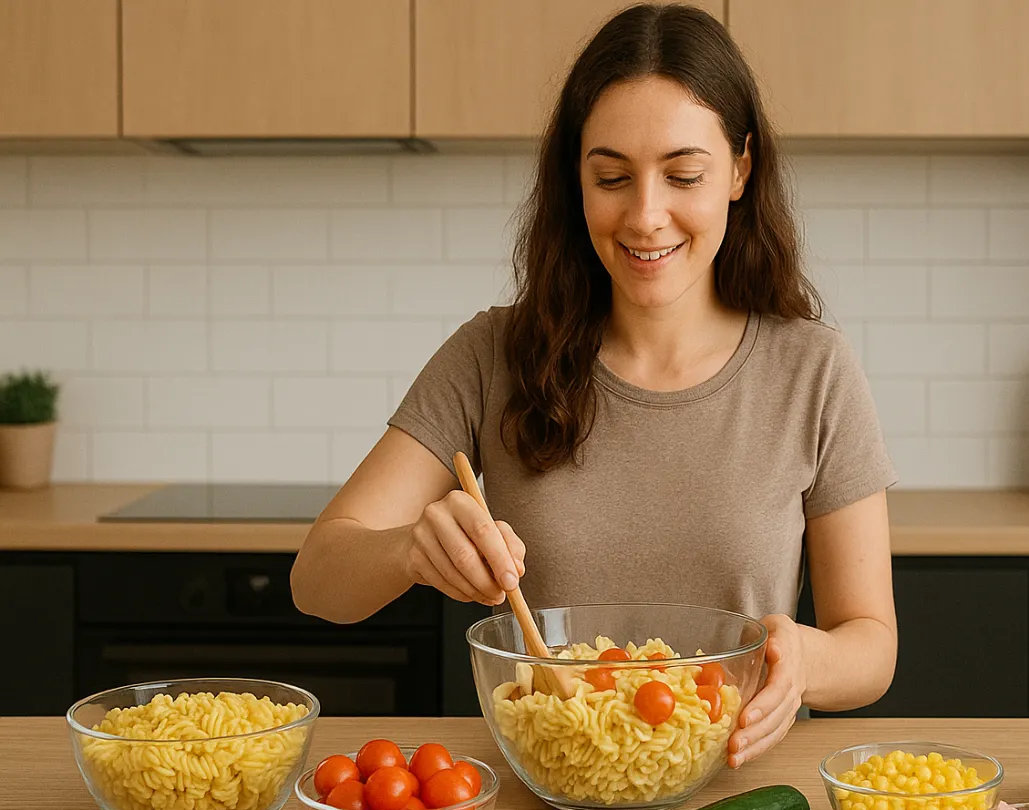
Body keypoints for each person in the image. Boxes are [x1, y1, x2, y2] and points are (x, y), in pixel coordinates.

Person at [290, 2, 898, 768]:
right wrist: (411, 551)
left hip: (731, 801)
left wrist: (806, 658)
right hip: (540, 795)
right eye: (611, 176)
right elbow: (317, 579)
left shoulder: (815, 370)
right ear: (575, 179)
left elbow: (871, 644)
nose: (646, 216)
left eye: (683, 174)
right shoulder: (489, 356)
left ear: (741, 170)